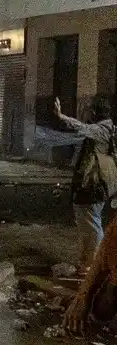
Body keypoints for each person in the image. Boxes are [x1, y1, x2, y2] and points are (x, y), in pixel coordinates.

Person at [54, 95, 117, 271]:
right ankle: (87, 262)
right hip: (100, 183)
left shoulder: (101, 130)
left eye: (89, 110)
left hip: (94, 184)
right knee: (88, 223)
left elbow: (82, 128)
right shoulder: (111, 129)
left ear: (95, 112)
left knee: (91, 224)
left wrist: (61, 116)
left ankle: (96, 265)